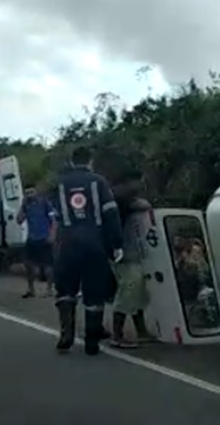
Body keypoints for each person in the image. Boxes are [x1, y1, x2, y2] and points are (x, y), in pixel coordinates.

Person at [50, 146, 123, 355]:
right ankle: (92, 341)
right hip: (94, 243)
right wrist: (116, 243)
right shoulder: (98, 181)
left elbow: (54, 216)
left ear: (72, 161)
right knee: (94, 293)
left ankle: (66, 334)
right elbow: (110, 213)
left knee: (65, 291)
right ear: (90, 161)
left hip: (67, 243)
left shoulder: (60, 184)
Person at [109, 169, 156, 348]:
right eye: (138, 181)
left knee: (138, 291)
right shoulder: (119, 197)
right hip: (123, 253)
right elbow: (139, 205)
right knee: (129, 291)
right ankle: (117, 334)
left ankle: (141, 330)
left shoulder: (123, 197)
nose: (140, 185)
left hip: (131, 251)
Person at [16, 182, 56, 298]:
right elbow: (19, 220)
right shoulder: (26, 205)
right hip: (32, 238)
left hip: (44, 238)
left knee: (48, 266)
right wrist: (22, 207)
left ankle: (49, 289)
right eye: (27, 193)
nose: (29, 195)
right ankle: (31, 289)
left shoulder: (45, 203)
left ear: (36, 192)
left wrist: (52, 235)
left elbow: (54, 220)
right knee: (30, 265)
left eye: (31, 192)